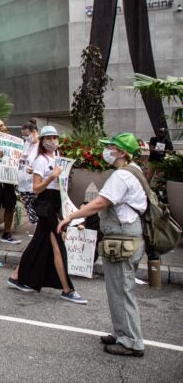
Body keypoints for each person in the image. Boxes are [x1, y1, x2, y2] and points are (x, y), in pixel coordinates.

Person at [58, 133, 146, 357]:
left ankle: (131, 341)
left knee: (121, 290)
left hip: (122, 237)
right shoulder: (134, 171)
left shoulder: (121, 176)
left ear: (123, 152)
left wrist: (71, 217)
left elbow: (99, 202)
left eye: (112, 147)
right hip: (128, 236)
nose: (107, 151)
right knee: (118, 288)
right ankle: (122, 333)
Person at [7, 125, 86, 304]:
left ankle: (16, 276)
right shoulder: (41, 160)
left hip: (56, 203)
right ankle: (67, 289)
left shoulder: (57, 157)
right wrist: (52, 176)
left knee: (38, 244)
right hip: (45, 204)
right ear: (42, 141)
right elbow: (36, 188)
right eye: (48, 138)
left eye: (55, 137)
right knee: (57, 245)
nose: (52, 141)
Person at [18, 119, 40, 226]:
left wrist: (34, 170)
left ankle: (39, 237)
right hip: (24, 183)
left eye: (27, 135)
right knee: (30, 212)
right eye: (24, 136)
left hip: (34, 184)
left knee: (37, 212)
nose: (26, 138)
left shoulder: (41, 146)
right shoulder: (26, 144)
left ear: (34, 132)